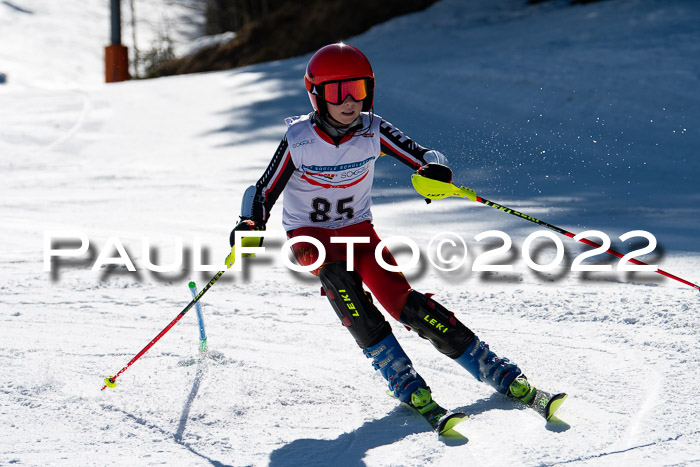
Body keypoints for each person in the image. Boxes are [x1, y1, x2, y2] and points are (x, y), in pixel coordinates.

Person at [226, 43, 552, 423]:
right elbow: (264, 190)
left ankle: (488, 363)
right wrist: (250, 222)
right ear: (316, 95)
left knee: (402, 301)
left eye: (358, 89)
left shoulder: (373, 129)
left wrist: (435, 172)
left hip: (359, 231)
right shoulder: (298, 140)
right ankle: (400, 375)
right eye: (337, 91)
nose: (349, 101)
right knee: (338, 278)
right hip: (309, 235)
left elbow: (424, 155)